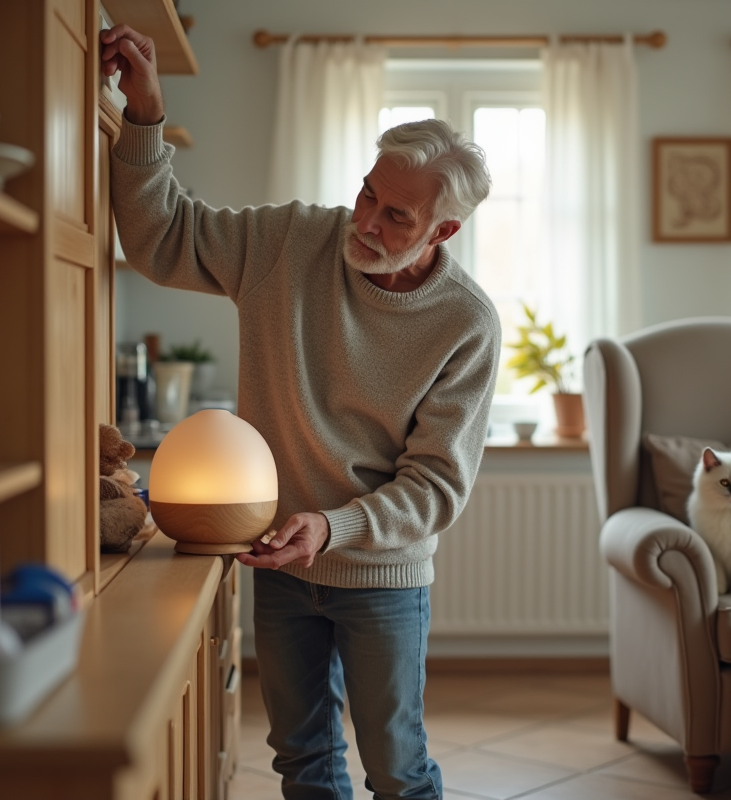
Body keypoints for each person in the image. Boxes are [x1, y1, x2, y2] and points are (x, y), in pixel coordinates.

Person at [101, 25, 500, 800]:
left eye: (396, 219)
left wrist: (330, 527)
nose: (366, 224)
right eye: (367, 195)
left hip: (381, 572)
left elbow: (436, 487)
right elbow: (160, 238)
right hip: (276, 563)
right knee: (301, 760)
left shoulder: (465, 322)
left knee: (397, 767)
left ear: (444, 232)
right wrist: (144, 114)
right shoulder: (289, 241)